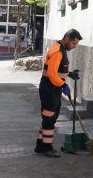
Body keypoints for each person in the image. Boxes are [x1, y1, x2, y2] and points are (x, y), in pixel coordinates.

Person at [34, 29, 82, 158]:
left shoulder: (60, 48)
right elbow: (51, 74)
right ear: (66, 39)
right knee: (49, 117)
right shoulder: (57, 51)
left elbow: (58, 70)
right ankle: (47, 148)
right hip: (50, 88)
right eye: (74, 43)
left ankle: (40, 145)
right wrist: (63, 85)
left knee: (49, 117)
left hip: (52, 87)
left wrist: (70, 74)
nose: (75, 46)